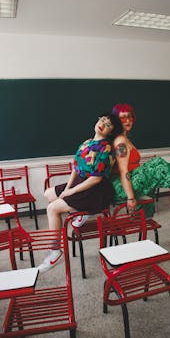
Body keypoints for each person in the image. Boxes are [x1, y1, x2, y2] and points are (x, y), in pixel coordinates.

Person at [37, 112, 123, 273]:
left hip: (96, 190)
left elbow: (96, 179)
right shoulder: (87, 143)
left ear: (110, 132)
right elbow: (76, 168)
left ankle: (55, 252)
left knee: (52, 209)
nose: (103, 124)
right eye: (102, 120)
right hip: (80, 183)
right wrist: (67, 188)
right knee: (49, 194)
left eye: (108, 125)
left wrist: (71, 192)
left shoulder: (106, 148)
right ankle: (81, 211)